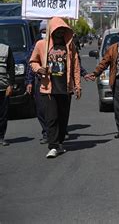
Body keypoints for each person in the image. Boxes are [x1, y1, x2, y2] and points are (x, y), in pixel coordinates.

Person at [29, 17, 81, 159]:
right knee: (51, 118)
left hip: (65, 89)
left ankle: (60, 143)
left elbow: (76, 67)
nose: (59, 34)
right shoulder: (41, 45)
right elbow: (33, 61)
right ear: (52, 31)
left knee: (63, 119)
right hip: (49, 89)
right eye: (57, 31)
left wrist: (77, 86)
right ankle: (52, 146)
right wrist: (39, 69)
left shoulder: (70, 46)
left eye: (62, 31)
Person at [25, 21, 48, 144]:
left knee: (54, 108)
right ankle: (46, 132)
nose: (44, 34)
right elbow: (30, 64)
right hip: (39, 81)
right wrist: (29, 81)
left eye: (46, 32)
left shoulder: (57, 45)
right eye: (43, 32)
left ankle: (56, 131)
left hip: (54, 82)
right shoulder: (36, 45)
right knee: (40, 109)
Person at [0, 42, 14, 146]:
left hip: (3, 88)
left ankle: (1, 137)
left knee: (3, 114)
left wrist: (10, 85)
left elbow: (11, 68)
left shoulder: (6, 49)